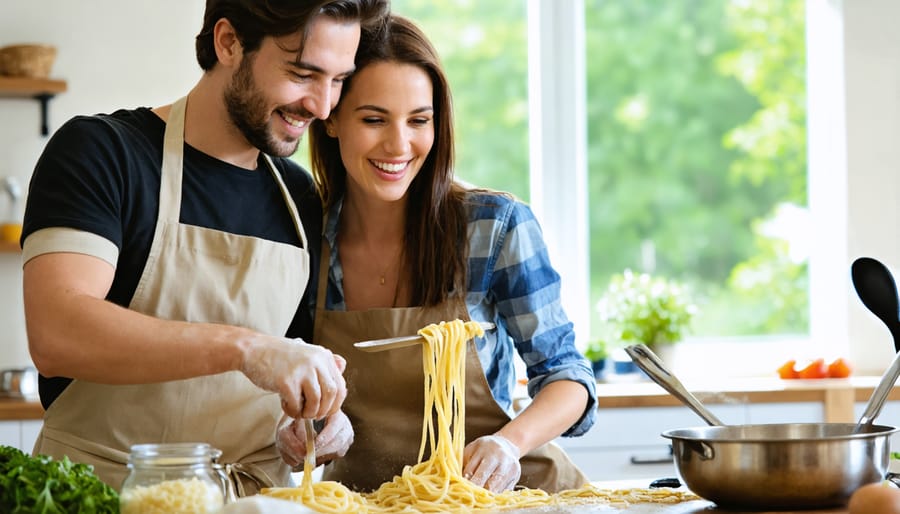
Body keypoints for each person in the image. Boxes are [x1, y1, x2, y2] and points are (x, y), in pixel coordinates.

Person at [19, 0, 389, 491]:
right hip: (109, 494)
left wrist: (306, 426)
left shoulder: (300, 198)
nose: (322, 106)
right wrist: (246, 349)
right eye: (303, 73)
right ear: (229, 42)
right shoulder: (104, 153)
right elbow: (57, 332)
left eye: (338, 80)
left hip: (256, 499)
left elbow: (283, 366)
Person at [276, 14, 598, 493]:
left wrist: (508, 444)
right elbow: (293, 377)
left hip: (512, 498)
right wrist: (309, 426)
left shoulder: (493, 226)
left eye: (419, 120)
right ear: (333, 120)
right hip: (372, 502)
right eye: (374, 119)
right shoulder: (303, 235)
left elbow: (568, 377)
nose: (399, 144)